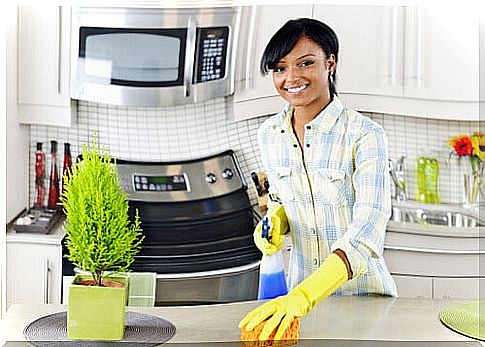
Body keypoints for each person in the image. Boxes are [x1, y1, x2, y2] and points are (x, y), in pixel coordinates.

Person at [238, 18, 397, 341]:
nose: (291, 78)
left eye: (306, 63)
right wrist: (276, 222)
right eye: (280, 68)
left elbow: (367, 231)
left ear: (330, 63)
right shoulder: (269, 135)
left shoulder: (364, 135)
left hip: (362, 301)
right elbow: (281, 198)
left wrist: (306, 295)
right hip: (295, 310)